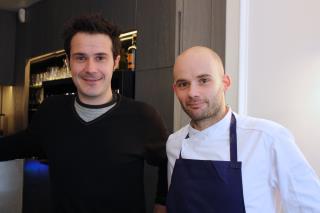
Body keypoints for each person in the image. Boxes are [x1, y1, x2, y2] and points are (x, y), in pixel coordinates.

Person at [0, 14, 168, 213]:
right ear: (68, 62)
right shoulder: (51, 112)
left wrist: (162, 204)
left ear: (115, 61)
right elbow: (19, 144)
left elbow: (169, 161)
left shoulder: (143, 117)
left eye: (100, 57)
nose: (90, 68)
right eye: (80, 58)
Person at [166, 46, 320, 213]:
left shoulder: (267, 138)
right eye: (183, 84)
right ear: (175, 90)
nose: (192, 93)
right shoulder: (174, 143)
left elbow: (310, 208)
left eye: (204, 80)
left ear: (225, 83)